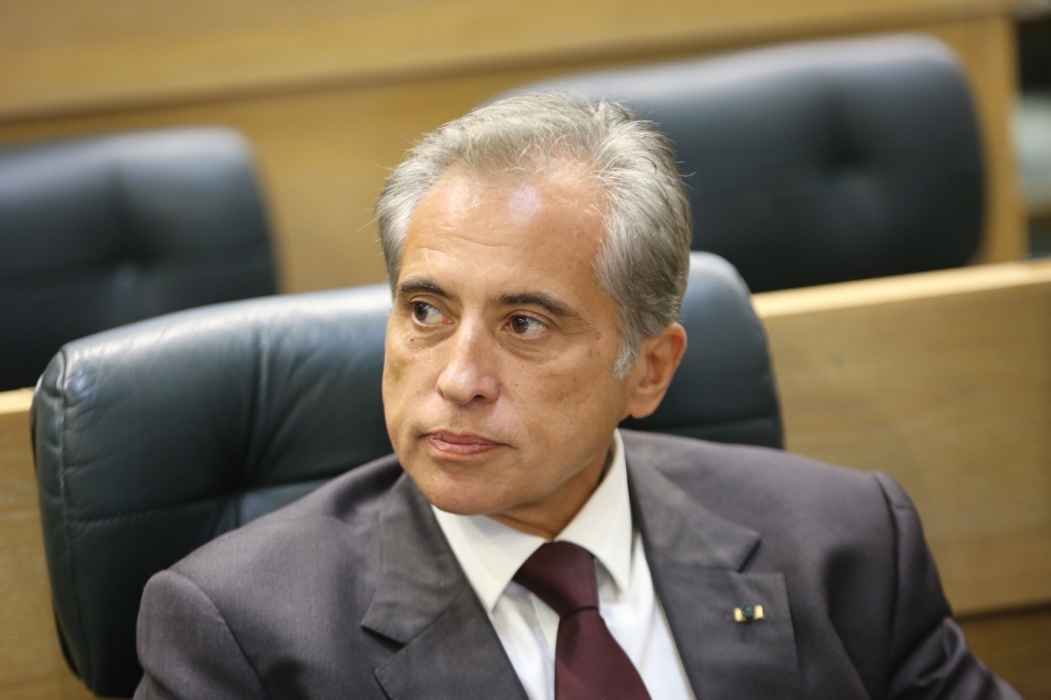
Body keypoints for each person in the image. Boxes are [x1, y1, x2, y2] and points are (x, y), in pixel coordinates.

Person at [133, 93, 1019, 699]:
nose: (458, 378)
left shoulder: (846, 543)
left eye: (524, 324)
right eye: (427, 311)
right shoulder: (240, 634)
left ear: (649, 370)